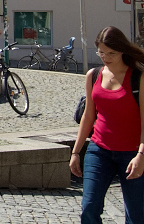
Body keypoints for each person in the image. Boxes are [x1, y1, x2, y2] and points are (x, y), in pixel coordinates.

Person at [71, 26, 144, 223]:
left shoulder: (138, 77)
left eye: (111, 53)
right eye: (101, 52)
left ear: (122, 51)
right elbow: (88, 116)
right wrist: (76, 152)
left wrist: (141, 155)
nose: (105, 57)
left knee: (137, 216)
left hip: (132, 153)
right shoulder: (93, 75)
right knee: (89, 208)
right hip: (99, 150)